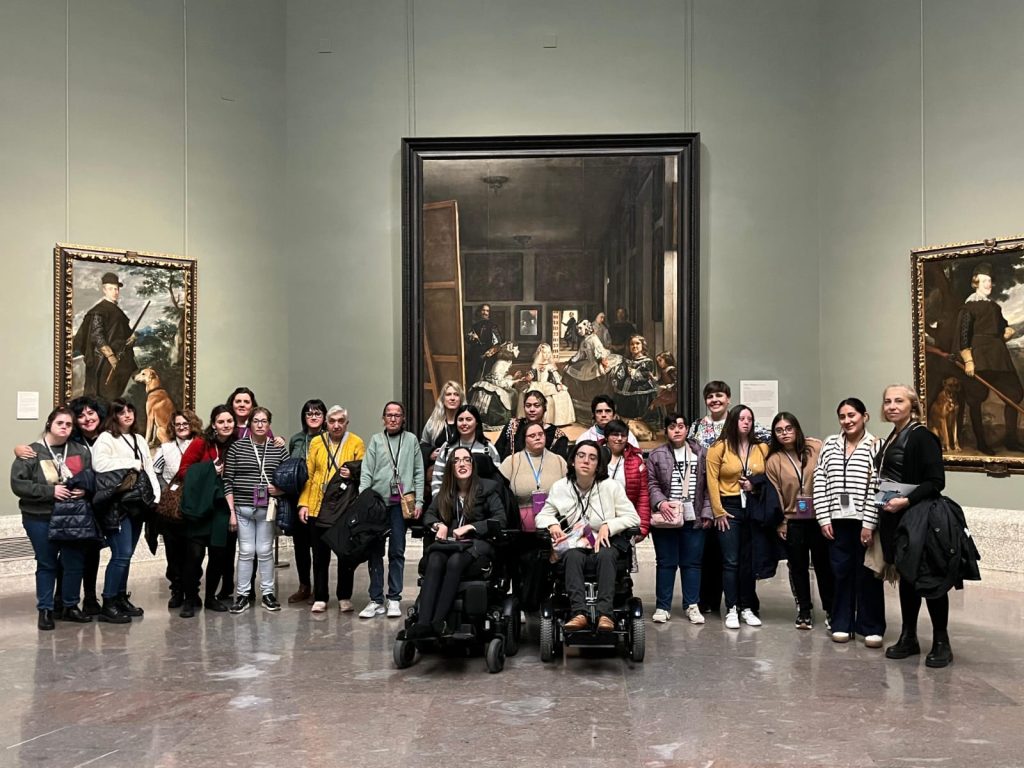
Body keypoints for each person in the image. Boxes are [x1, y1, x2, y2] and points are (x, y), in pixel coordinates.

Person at [875, 385, 952, 668]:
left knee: (929, 579)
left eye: (898, 401)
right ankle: (909, 637)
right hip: (894, 519)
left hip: (919, 518)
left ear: (913, 405)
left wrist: (905, 501)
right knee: (906, 577)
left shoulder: (922, 437)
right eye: (887, 401)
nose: (892, 406)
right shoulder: (892, 437)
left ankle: (941, 642)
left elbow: (936, 482)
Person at [13, 396, 107, 616]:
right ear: (49, 424)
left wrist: (85, 489)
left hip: (73, 517)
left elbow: (93, 476)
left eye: (68, 424)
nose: (64, 427)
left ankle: (70, 606)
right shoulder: (31, 452)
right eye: (60, 423)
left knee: (74, 563)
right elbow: (18, 484)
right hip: (40, 517)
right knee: (47, 564)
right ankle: (45, 609)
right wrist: (50, 492)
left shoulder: (79, 451)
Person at [535, 440, 641, 631]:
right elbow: (543, 514)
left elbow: (633, 518)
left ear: (598, 465)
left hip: (604, 544)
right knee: (573, 556)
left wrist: (609, 525)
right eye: (581, 456)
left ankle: (605, 615)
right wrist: (552, 524)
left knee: (607, 555)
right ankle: (579, 613)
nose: (586, 461)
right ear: (573, 461)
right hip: (576, 544)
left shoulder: (611, 486)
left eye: (592, 458)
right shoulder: (561, 487)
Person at [690, 380, 770, 614]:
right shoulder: (696, 427)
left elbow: (773, 440)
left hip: (737, 498)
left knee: (739, 555)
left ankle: (743, 602)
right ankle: (710, 601)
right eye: (710, 396)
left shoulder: (741, 422)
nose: (715, 400)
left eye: (720, 396)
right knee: (711, 553)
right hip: (705, 497)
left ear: (728, 399)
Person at [413, 447, 507, 637]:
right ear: (450, 467)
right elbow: (429, 515)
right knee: (435, 559)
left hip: (477, 547)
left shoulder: (487, 489)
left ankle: (439, 621)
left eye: (466, 460)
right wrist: (438, 525)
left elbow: (500, 519)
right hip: (450, 545)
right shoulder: (445, 492)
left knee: (455, 561)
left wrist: (472, 527)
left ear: (473, 464)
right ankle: (423, 623)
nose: (462, 464)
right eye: (456, 461)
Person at [813, 397, 884, 647]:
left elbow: (878, 487)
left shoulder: (876, 445)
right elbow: (819, 480)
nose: (847, 421)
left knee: (867, 573)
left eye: (852, 415)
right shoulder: (831, 444)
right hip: (836, 521)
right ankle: (842, 622)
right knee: (840, 572)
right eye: (842, 416)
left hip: (864, 522)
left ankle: (871, 626)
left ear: (865, 416)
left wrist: (869, 523)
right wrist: (823, 518)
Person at [92, 398, 161, 622]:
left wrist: (156, 495)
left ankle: (121, 597)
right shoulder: (106, 438)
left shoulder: (139, 438)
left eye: (130, 410)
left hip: (138, 504)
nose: (127, 415)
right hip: (117, 505)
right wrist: (129, 462)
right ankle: (109, 602)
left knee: (127, 555)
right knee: (120, 555)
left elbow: (148, 468)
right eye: (122, 412)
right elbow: (99, 465)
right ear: (115, 416)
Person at [766, 412, 832, 631]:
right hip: (793, 520)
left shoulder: (815, 448)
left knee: (824, 566)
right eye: (779, 430)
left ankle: (831, 610)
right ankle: (804, 610)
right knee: (798, 567)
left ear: (796, 429)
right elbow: (775, 493)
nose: (785, 433)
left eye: (789, 428)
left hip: (819, 518)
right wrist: (781, 522)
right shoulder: (774, 460)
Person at [358, 401, 424, 619]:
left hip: (400, 504)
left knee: (397, 550)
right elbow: (366, 471)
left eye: (397, 415)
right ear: (383, 418)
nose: (393, 418)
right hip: (377, 503)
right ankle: (376, 599)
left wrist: (420, 501)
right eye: (389, 415)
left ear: (403, 418)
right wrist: (363, 499)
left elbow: (418, 472)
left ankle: (394, 598)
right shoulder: (376, 441)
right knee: (374, 551)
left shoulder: (411, 440)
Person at [297, 405, 365, 612]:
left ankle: (344, 596)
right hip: (318, 506)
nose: (336, 425)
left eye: (340, 421)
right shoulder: (317, 442)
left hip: (344, 508)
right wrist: (304, 503)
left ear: (347, 423)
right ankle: (321, 597)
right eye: (332, 421)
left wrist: (352, 473)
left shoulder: (356, 442)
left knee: (345, 555)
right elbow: (308, 475)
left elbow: (364, 470)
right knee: (319, 556)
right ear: (326, 423)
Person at [706, 404, 769, 629]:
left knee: (748, 562)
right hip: (728, 507)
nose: (746, 422)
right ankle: (731, 607)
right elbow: (711, 481)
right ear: (733, 421)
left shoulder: (761, 448)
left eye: (749, 419)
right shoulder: (719, 447)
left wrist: (755, 484)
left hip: (752, 507)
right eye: (741, 418)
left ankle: (747, 607)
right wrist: (718, 511)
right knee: (730, 561)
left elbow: (768, 476)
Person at [646, 413, 712, 624]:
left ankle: (692, 605)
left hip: (694, 516)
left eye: (681, 426)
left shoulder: (701, 453)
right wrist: (661, 503)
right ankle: (662, 606)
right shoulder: (656, 455)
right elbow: (651, 483)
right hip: (666, 516)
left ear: (687, 430)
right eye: (672, 426)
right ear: (666, 430)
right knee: (666, 562)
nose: (677, 430)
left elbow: (709, 487)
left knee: (692, 563)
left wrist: (707, 513)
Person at [223, 406, 288, 614]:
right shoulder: (236, 448)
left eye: (264, 421)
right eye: (256, 421)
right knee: (246, 552)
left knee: (265, 551)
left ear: (269, 425)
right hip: (242, 509)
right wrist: (231, 511)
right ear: (249, 424)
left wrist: (279, 490)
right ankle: (242, 595)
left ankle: (268, 594)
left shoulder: (278, 449)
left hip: (267, 509)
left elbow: (290, 478)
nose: (260, 425)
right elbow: (228, 481)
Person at [175, 404, 237, 616]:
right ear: (214, 424)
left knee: (218, 554)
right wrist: (210, 470)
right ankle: (190, 599)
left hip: (221, 508)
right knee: (194, 555)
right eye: (221, 421)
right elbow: (183, 471)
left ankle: (211, 597)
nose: (226, 425)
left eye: (229, 421)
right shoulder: (201, 443)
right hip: (200, 507)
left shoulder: (238, 444)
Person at [956, 264, 1024, 454]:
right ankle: (981, 443)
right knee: (976, 398)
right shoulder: (968, 307)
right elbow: (963, 336)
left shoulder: (994, 306)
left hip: (998, 357)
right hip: (980, 358)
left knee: (1015, 394)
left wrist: (1007, 332)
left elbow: (1001, 329)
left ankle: (1010, 439)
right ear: (976, 282)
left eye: (990, 281)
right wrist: (968, 360)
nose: (989, 285)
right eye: (985, 281)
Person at [152, 409, 202, 609]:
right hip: (171, 510)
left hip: (194, 507)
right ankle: (177, 590)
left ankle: (193, 591)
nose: (181, 427)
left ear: (193, 425)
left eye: (185, 423)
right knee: (173, 553)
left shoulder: (200, 445)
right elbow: (155, 472)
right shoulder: (166, 448)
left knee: (194, 553)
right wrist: (166, 494)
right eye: (178, 424)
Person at [286, 398, 327, 604]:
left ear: (324, 417)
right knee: (300, 545)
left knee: (318, 546)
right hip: (297, 499)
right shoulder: (296, 439)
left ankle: (320, 590)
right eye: (309, 413)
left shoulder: (329, 439)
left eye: (317, 413)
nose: (313, 417)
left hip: (319, 500)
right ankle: (304, 586)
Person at [72, 271, 138, 400]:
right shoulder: (99, 310)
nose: (115, 292)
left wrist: (132, 338)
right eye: (111, 288)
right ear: (104, 290)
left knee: (116, 395)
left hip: (120, 357)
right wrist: (111, 357)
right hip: (103, 361)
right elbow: (97, 336)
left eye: (116, 289)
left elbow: (123, 332)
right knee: (104, 394)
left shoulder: (117, 310)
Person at [499, 421, 568, 524]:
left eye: (541, 434)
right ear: (524, 440)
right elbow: (500, 493)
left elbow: (569, 492)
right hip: (519, 521)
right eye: (532, 435)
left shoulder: (559, 461)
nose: (538, 438)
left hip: (554, 520)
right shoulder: (511, 461)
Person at [430, 404, 501, 495]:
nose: (464, 423)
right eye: (460, 420)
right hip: (451, 503)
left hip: (481, 503)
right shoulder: (447, 447)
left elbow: (497, 481)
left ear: (477, 423)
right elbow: (437, 478)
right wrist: (438, 503)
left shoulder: (488, 448)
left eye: (468, 419)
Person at [602, 419, 651, 539]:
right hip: (598, 520)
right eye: (615, 435)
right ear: (606, 436)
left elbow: (643, 496)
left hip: (625, 523)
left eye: (623, 435)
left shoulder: (636, 461)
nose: (619, 439)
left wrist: (643, 527)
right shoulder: (594, 456)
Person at [496, 390, 569, 462]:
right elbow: (497, 453)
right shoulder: (512, 425)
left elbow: (559, 466)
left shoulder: (557, 435)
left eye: (536, 406)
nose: (532, 409)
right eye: (528, 406)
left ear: (544, 408)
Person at [522, 344, 576, 426]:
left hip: (547, 384)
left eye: (548, 353)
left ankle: (558, 420)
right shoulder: (536, 365)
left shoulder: (550, 365)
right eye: (544, 353)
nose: (546, 355)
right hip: (537, 384)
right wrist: (528, 377)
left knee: (562, 394)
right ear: (540, 353)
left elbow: (555, 376)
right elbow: (532, 374)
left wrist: (558, 383)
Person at [612, 334, 659, 419]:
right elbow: (620, 373)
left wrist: (634, 373)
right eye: (632, 344)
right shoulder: (626, 360)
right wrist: (618, 375)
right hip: (624, 392)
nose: (634, 346)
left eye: (637, 343)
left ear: (642, 346)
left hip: (640, 393)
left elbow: (646, 375)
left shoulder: (647, 361)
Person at [565, 320, 621, 384]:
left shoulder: (593, 338)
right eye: (578, 329)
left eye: (580, 328)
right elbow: (580, 355)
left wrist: (600, 363)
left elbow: (600, 352)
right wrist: (571, 361)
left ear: (586, 327)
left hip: (599, 361)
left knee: (601, 374)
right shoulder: (583, 342)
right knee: (572, 369)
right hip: (590, 362)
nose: (579, 331)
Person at [466, 304, 503, 386]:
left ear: (490, 313)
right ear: (479, 312)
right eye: (483, 310)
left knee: (485, 380)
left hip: (487, 358)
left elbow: (497, 344)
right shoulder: (474, 326)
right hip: (474, 356)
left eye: (487, 311)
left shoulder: (493, 326)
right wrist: (472, 337)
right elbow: (468, 340)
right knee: (471, 379)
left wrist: (488, 353)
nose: (485, 313)